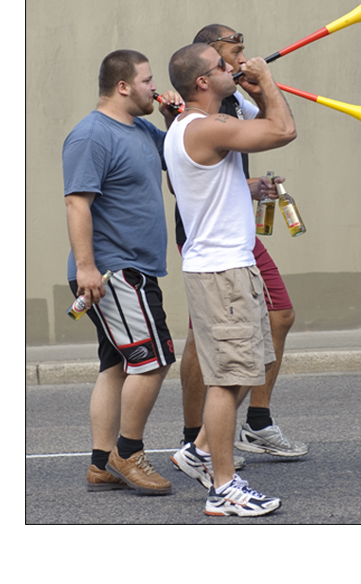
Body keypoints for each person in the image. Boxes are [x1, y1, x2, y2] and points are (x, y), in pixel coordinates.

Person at [164, 42, 296, 516]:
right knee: (225, 380)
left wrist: (257, 91)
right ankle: (224, 488)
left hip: (229, 265)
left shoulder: (192, 128)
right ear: (202, 82)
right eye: (222, 65)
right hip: (220, 272)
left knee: (248, 366)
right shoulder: (204, 127)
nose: (232, 67)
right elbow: (283, 129)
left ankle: (199, 450)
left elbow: (220, 179)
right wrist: (267, 82)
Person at [63, 49, 183, 495]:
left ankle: (100, 464)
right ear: (123, 86)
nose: (156, 87)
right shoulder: (92, 136)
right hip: (115, 272)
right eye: (148, 80)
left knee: (117, 364)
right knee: (153, 360)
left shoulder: (143, 130)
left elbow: (179, 160)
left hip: (132, 268)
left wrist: (173, 119)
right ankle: (128, 454)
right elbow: (77, 202)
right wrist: (87, 267)